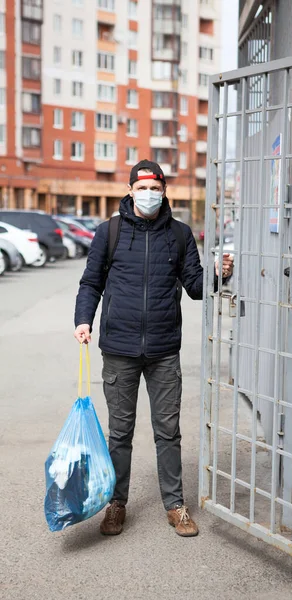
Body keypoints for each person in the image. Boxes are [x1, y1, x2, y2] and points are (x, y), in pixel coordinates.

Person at [74, 160, 234, 537]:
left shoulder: (178, 235)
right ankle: (116, 504)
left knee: (168, 431)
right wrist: (84, 320)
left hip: (163, 350)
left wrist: (218, 273)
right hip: (119, 349)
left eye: (155, 187)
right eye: (142, 187)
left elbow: (195, 287)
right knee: (120, 432)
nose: (149, 193)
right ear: (130, 191)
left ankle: (175, 505)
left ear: (164, 191)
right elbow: (90, 283)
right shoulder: (108, 232)